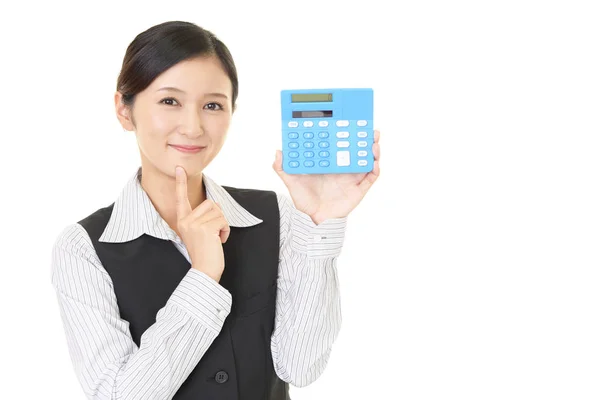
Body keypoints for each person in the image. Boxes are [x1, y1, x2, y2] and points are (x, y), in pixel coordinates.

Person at [50, 20, 381, 400]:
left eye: (212, 105)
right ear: (125, 111)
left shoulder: (274, 215)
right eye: (169, 101)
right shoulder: (84, 248)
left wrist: (321, 222)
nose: (192, 127)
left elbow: (300, 367)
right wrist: (204, 275)